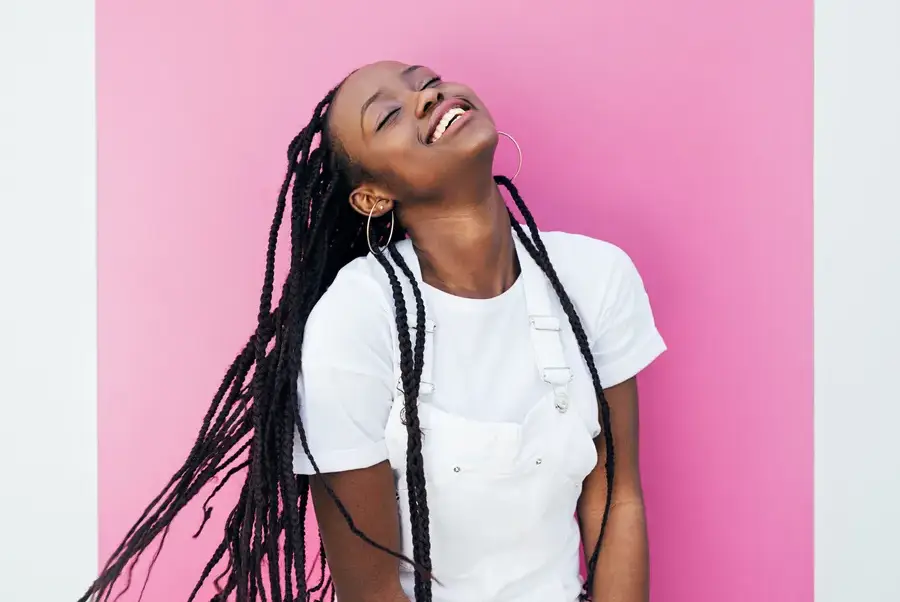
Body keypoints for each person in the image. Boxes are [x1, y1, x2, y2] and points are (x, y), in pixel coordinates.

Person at [81, 61, 666, 602]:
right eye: (389, 114)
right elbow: (373, 591)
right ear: (373, 196)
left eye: (427, 80)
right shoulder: (355, 320)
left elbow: (618, 499)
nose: (429, 96)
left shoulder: (594, 279)